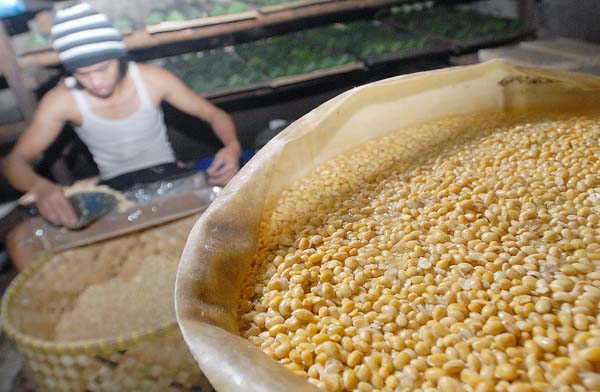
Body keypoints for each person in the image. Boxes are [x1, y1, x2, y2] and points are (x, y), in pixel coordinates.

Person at [4, 3, 242, 229]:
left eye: (103, 68)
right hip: (113, 190)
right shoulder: (62, 101)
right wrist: (41, 187)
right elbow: (14, 162)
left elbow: (214, 115)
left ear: (119, 58)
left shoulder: (152, 80)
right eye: (82, 74)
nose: (96, 82)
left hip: (169, 173)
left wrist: (231, 146)